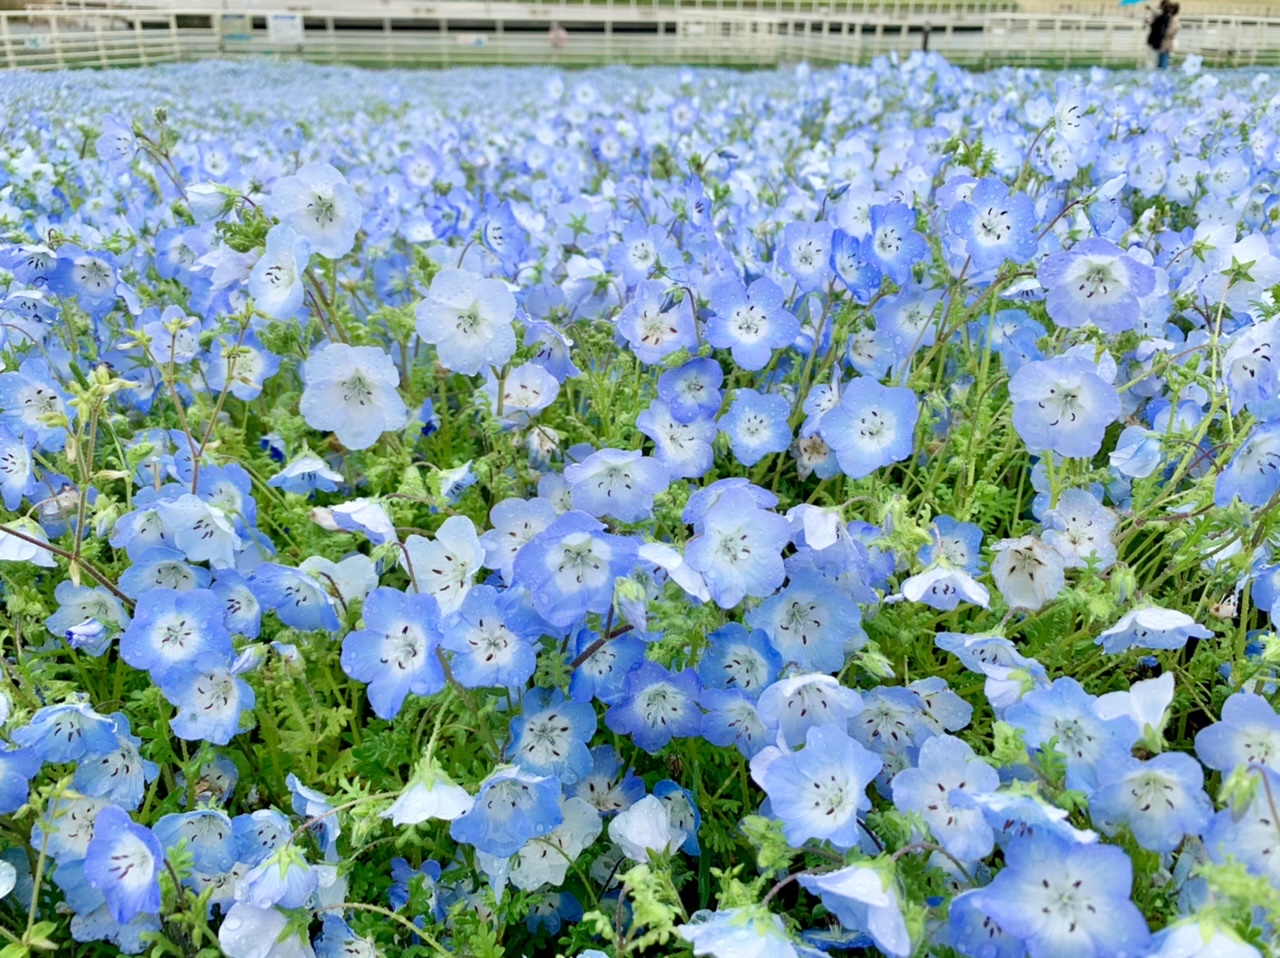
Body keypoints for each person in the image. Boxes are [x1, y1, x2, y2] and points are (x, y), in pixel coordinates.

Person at [1146, 1, 1180, 69]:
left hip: (1164, 44)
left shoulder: (1171, 18)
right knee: (1160, 62)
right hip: (1161, 44)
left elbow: (1170, 32)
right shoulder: (1167, 17)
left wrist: (1162, 32)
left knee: (1161, 63)